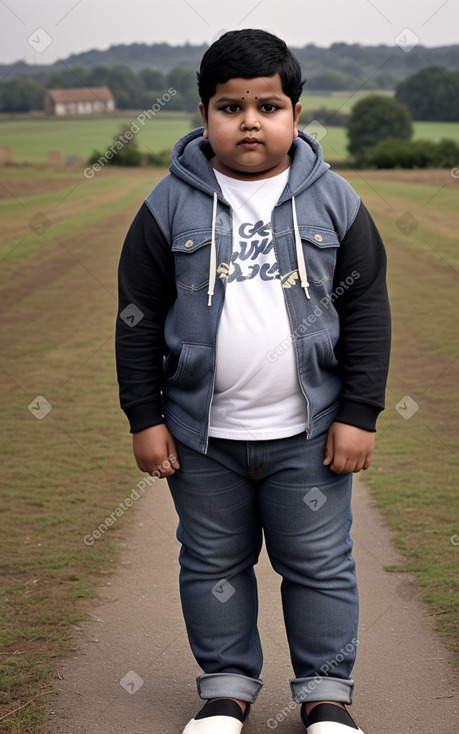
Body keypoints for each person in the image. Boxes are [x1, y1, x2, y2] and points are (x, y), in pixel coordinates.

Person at [116, 28, 391, 734]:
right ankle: (226, 691)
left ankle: (325, 697)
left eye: (267, 106)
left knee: (320, 567)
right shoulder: (165, 206)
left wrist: (358, 412)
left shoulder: (334, 200)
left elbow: (365, 311)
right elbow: (138, 318)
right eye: (229, 106)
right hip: (200, 437)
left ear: (294, 115)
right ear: (204, 115)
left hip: (311, 435)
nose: (248, 121)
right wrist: (143, 419)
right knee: (211, 564)